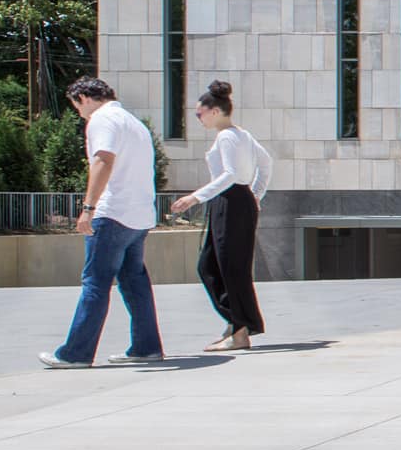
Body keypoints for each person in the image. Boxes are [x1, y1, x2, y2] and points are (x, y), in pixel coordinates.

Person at [39, 78, 165, 369]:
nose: (79, 113)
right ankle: (146, 348)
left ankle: (75, 354)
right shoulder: (134, 123)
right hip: (139, 215)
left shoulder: (102, 119)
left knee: (95, 282)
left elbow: (103, 160)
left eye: (76, 107)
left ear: (84, 97)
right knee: (135, 282)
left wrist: (88, 208)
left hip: (113, 213)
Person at [170, 81, 272, 353]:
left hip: (230, 201)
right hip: (237, 201)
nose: (198, 119)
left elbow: (228, 175)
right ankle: (237, 323)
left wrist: (195, 197)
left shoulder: (227, 136)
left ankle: (240, 330)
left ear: (214, 111)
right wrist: (255, 195)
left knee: (225, 267)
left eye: (199, 114)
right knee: (216, 265)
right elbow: (266, 163)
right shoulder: (242, 135)